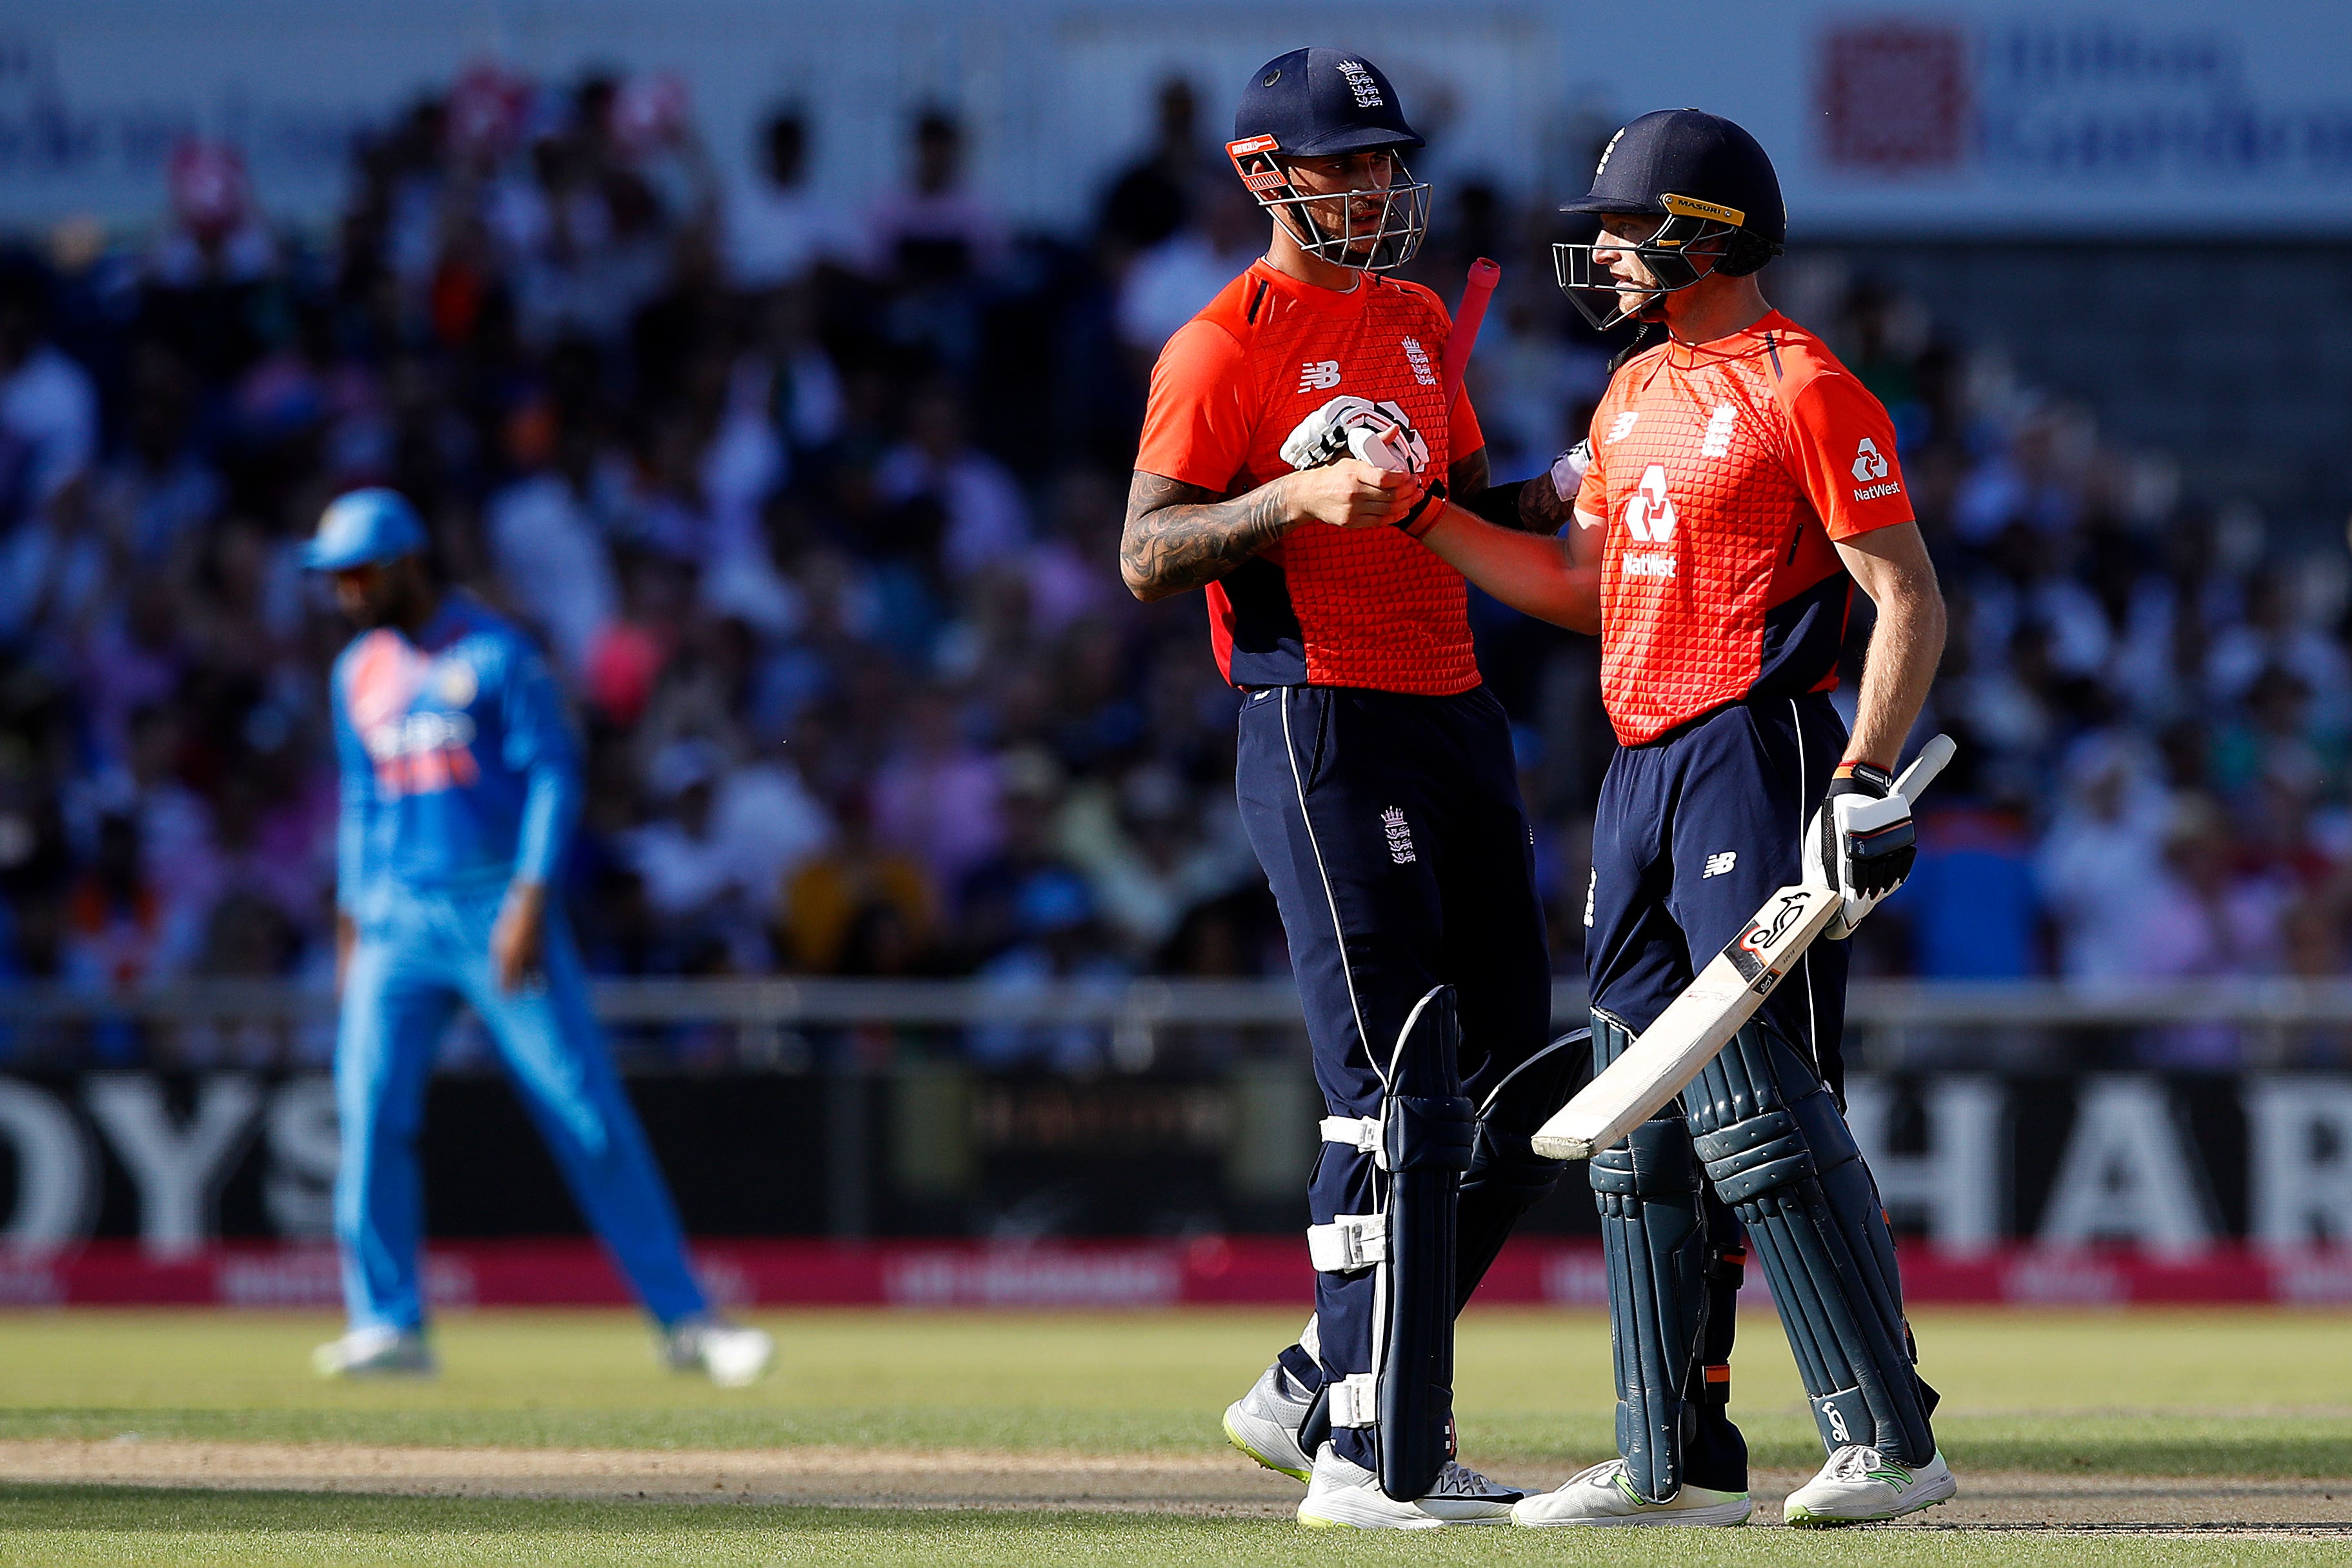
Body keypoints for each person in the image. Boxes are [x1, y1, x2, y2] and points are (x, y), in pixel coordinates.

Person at [1388, 110, 1957, 1526]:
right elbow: (1583, 584)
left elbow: (1905, 595)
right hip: (1634, 765)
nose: (1606, 256)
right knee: (1632, 1115)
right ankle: (1667, 1456)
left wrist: (1859, 777)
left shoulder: (1804, 384)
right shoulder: (1631, 391)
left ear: (1703, 235)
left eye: (1630, 231)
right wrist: (1420, 521)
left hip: (1751, 751)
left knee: (1750, 1104)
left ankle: (1885, 1434)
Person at [1122, 49, 1577, 1529]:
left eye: (1389, 159)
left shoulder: (1416, 317)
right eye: (1348, 162)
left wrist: (1564, 490)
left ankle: (1329, 1384)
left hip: (1453, 708)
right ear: (1266, 174)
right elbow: (1144, 552)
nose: (1379, 185)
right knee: (1393, 1083)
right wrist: (1288, 499)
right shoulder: (1218, 346)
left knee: (1516, 1085)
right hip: (1319, 716)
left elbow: (1452, 506)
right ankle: (1364, 1456)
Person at [304, 488, 773, 1387]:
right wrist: (351, 931)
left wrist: (527, 897)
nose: (345, 594)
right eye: (334, 579)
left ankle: (686, 1320)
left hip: (493, 906)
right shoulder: (355, 673)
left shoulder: (494, 652)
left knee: (583, 1111)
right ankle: (388, 1324)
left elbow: (556, 779)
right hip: (398, 918)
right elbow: (363, 807)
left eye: (358, 575)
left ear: (406, 564)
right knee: (367, 1115)